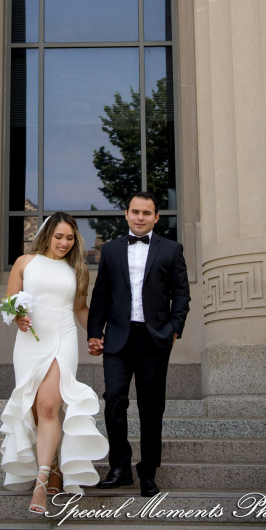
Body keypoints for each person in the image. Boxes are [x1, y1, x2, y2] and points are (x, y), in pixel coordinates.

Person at [0, 212, 109, 514]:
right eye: (59, 236)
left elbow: (80, 309)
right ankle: (55, 466)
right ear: (47, 235)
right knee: (35, 409)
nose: (64, 243)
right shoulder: (25, 263)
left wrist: (99, 336)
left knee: (49, 405)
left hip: (63, 339)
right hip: (29, 343)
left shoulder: (77, 269)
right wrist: (18, 317)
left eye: (70, 238)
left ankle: (41, 480)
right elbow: (9, 302)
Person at [87, 191, 190, 497]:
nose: (140, 217)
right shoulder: (111, 250)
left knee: (151, 406)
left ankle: (148, 472)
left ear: (156, 217)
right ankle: (119, 468)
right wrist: (94, 332)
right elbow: (100, 294)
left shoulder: (172, 249)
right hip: (118, 338)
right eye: (135, 212)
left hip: (155, 339)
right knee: (114, 400)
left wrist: (174, 330)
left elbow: (181, 294)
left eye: (147, 213)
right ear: (126, 214)